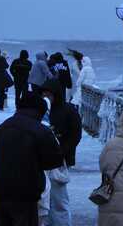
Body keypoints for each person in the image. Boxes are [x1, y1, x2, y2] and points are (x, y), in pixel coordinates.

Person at [0, 91, 63, 226]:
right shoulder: (40, 130)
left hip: (1, 192)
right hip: (26, 194)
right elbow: (55, 160)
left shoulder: (1, 129)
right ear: (39, 111)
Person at [40, 79, 81, 225]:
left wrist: (62, 152)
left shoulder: (68, 110)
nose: (46, 97)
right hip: (43, 161)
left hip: (59, 160)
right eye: (43, 94)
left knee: (59, 200)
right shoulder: (41, 109)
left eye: (49, 94)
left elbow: (75, 134)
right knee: (44, 199)